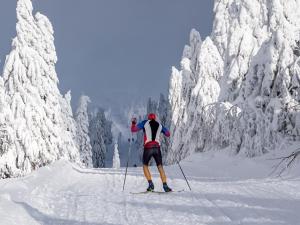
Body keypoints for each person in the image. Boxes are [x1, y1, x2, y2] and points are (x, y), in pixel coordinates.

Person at [131, 113, 172, 192]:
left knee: (145, 166)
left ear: (149, 118)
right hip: (157, 148)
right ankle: (165, 185)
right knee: (160, 167)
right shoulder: (159, 125)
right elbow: (168, 134)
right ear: (155, 118)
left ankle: (151, 184)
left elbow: (133, 130)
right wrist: (161, 131)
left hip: (148, 148)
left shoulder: (145, 123)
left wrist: (133, 123)